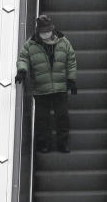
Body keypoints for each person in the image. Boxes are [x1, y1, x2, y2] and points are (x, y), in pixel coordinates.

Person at [15, 14, 77, 153]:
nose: (45, 34)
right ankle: (43, 144)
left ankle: (63, 144)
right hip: (41, 89)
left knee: (62, 117)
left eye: (47, 31)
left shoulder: (63, 42)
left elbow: (71, 60)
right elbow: (23, 58)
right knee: (42, 120)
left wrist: (71, 80)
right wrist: (22, 71)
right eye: (43, 32)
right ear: (38, 31)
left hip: (60, 88)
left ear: (52, 29)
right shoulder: (31, 44)